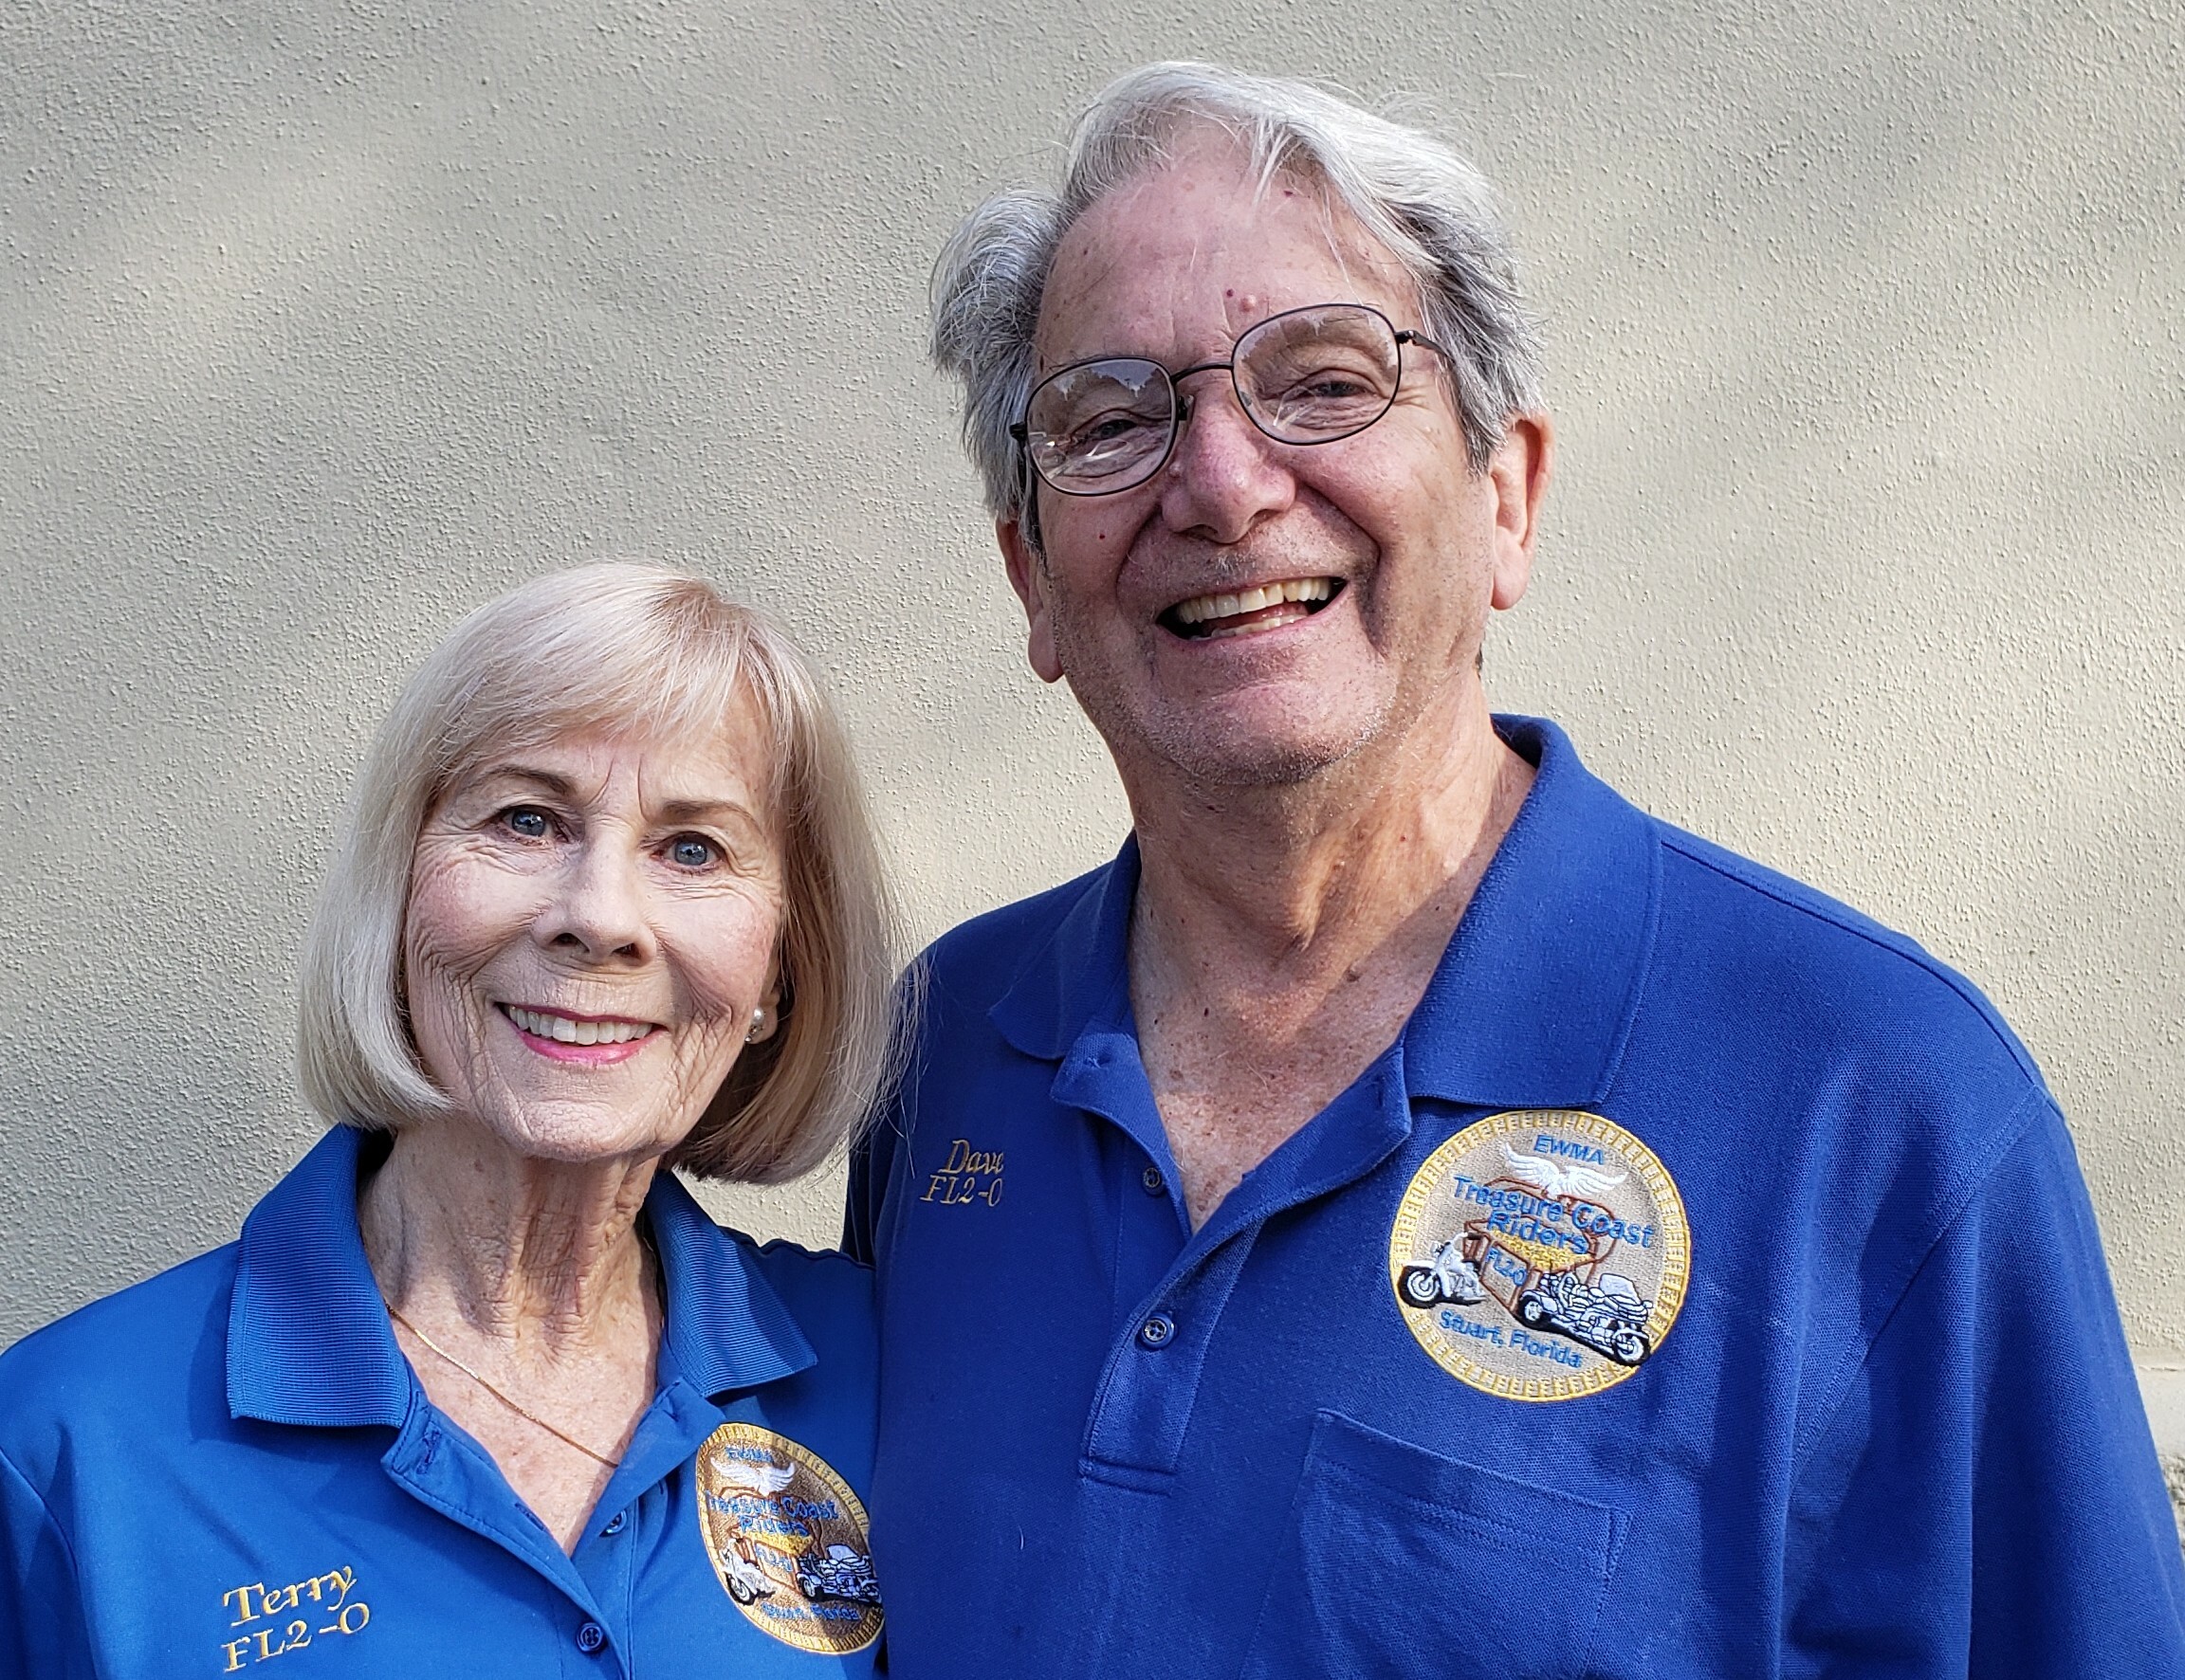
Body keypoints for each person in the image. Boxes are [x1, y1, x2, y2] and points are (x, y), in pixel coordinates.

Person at [846, 61, 2185, 1678]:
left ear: (1506, 498)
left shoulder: (1881, 1105)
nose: (1222, 484)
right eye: (1113, 419)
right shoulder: (946, 1050)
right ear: (1031, 580)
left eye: (1322, 380)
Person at [1, 563, 898, 1677]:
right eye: (527, 819)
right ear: (399, 890)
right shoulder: (63, 1447)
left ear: (779, 969)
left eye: (692, 848)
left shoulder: (888, 1373)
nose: (599, 916)